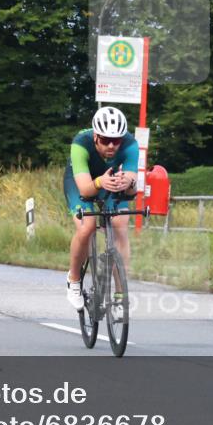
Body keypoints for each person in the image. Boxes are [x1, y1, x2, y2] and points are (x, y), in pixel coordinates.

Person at [63, 107, 138, 312]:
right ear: (96, 136)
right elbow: (86, 190)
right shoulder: (81, 144)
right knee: (87, 227)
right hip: (83, 182)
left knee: (120, 224)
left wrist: (128, 182)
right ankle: (74, 279)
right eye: (105, 140)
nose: (112, 145)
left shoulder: (130, 144)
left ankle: (121, 294)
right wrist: (99, 181)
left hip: (110, 182)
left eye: (117, 140)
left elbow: (132, 192)